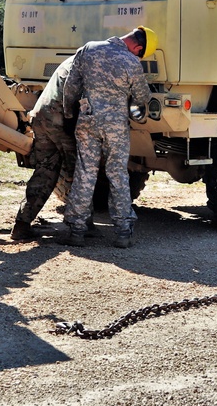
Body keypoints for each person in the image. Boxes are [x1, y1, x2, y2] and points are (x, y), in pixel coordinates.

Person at [58, 26, 155, 248]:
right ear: (138, 48)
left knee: (85, 173)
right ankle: (122, 231)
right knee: (117, 174)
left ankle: (76, 231)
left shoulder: (88, 49)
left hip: (87, 121)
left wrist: (69, 114)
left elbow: (71, 86)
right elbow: (142, 97)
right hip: (115, 127)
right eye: (139, 53)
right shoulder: (131, 62)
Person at [11, 55, 77, 241]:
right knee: (80, 172)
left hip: (40, 116)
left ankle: (22, 225)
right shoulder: (90, 66)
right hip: (59, 121)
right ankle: (80, 225)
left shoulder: (71, 61)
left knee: (45, 170)